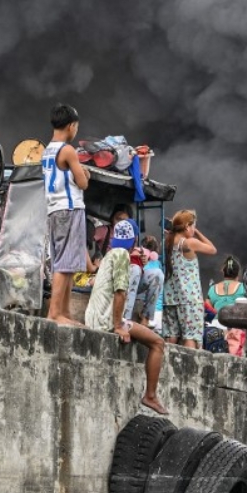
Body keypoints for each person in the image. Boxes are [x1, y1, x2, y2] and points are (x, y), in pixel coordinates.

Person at [84, 247, 166, 414]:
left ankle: (151, 396)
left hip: (95, 316)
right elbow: (120, 293)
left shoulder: (109, 256)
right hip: (106, 319)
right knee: (158, 343)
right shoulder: (122, 254)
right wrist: (118, 326)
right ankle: (150, 396)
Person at [43, 104, 90, 326]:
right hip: (69, 208)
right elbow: (83, 183)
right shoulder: (68, 150)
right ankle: (55, 313)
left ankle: (65, 312)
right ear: (71, 126)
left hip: (54, 209)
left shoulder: (47, 150)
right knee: (64, 263)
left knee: (67, 262)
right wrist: (85, 173)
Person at [161, 210, 216, 348]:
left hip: (170, 296)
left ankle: (166, 360)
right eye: (193, 226)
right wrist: (196, 232)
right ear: (187, 226)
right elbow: (212, 249)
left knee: (170, 336)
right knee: (190, 336)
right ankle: (188, 363)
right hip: (189, 298)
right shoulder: (189, 243)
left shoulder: (166, 243)